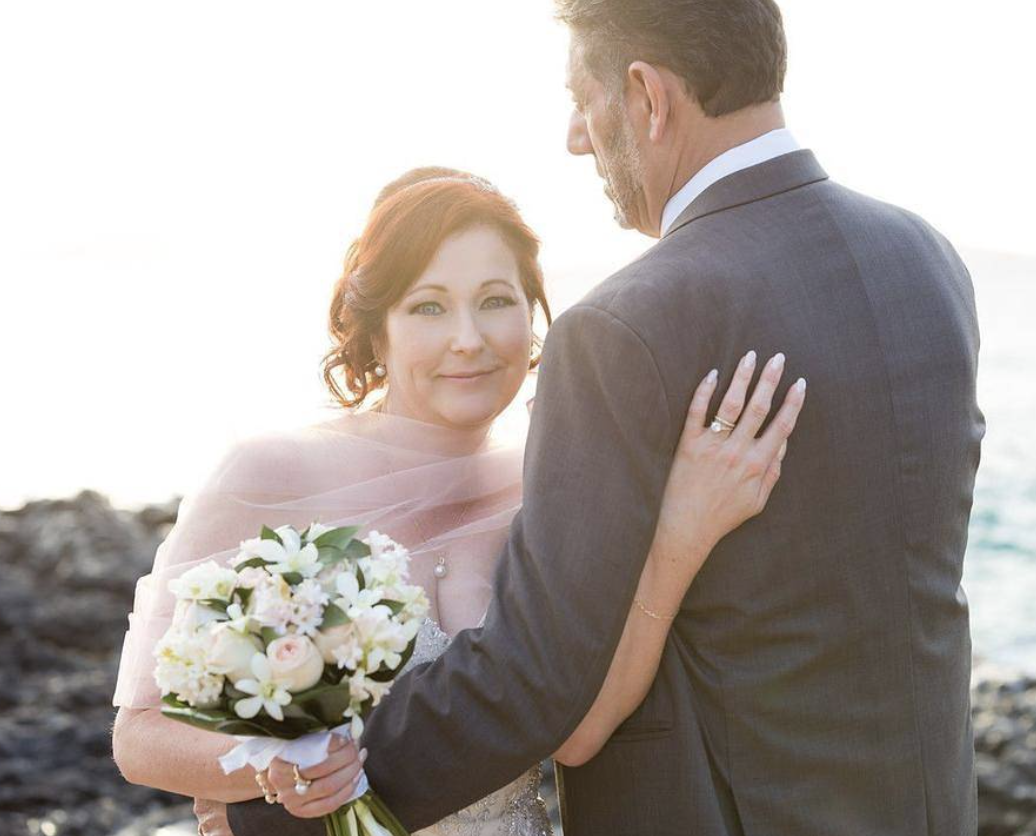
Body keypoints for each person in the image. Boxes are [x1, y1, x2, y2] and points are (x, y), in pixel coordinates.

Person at [224, 0, 985, 833]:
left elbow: (534, 675)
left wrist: (285, 811)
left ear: (647, 98)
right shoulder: (926, 261)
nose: (578, 137)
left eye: (582, 101)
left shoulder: (626, 328)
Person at [111, 166, 806, 835]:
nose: (468, 340)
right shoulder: (270, 473)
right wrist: (273, 768)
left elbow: (579, 733)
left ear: (533, 319)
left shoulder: (550, 488)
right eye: (429, 306)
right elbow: (139, 736)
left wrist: (681, 531)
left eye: (496, 301)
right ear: (377, 327)